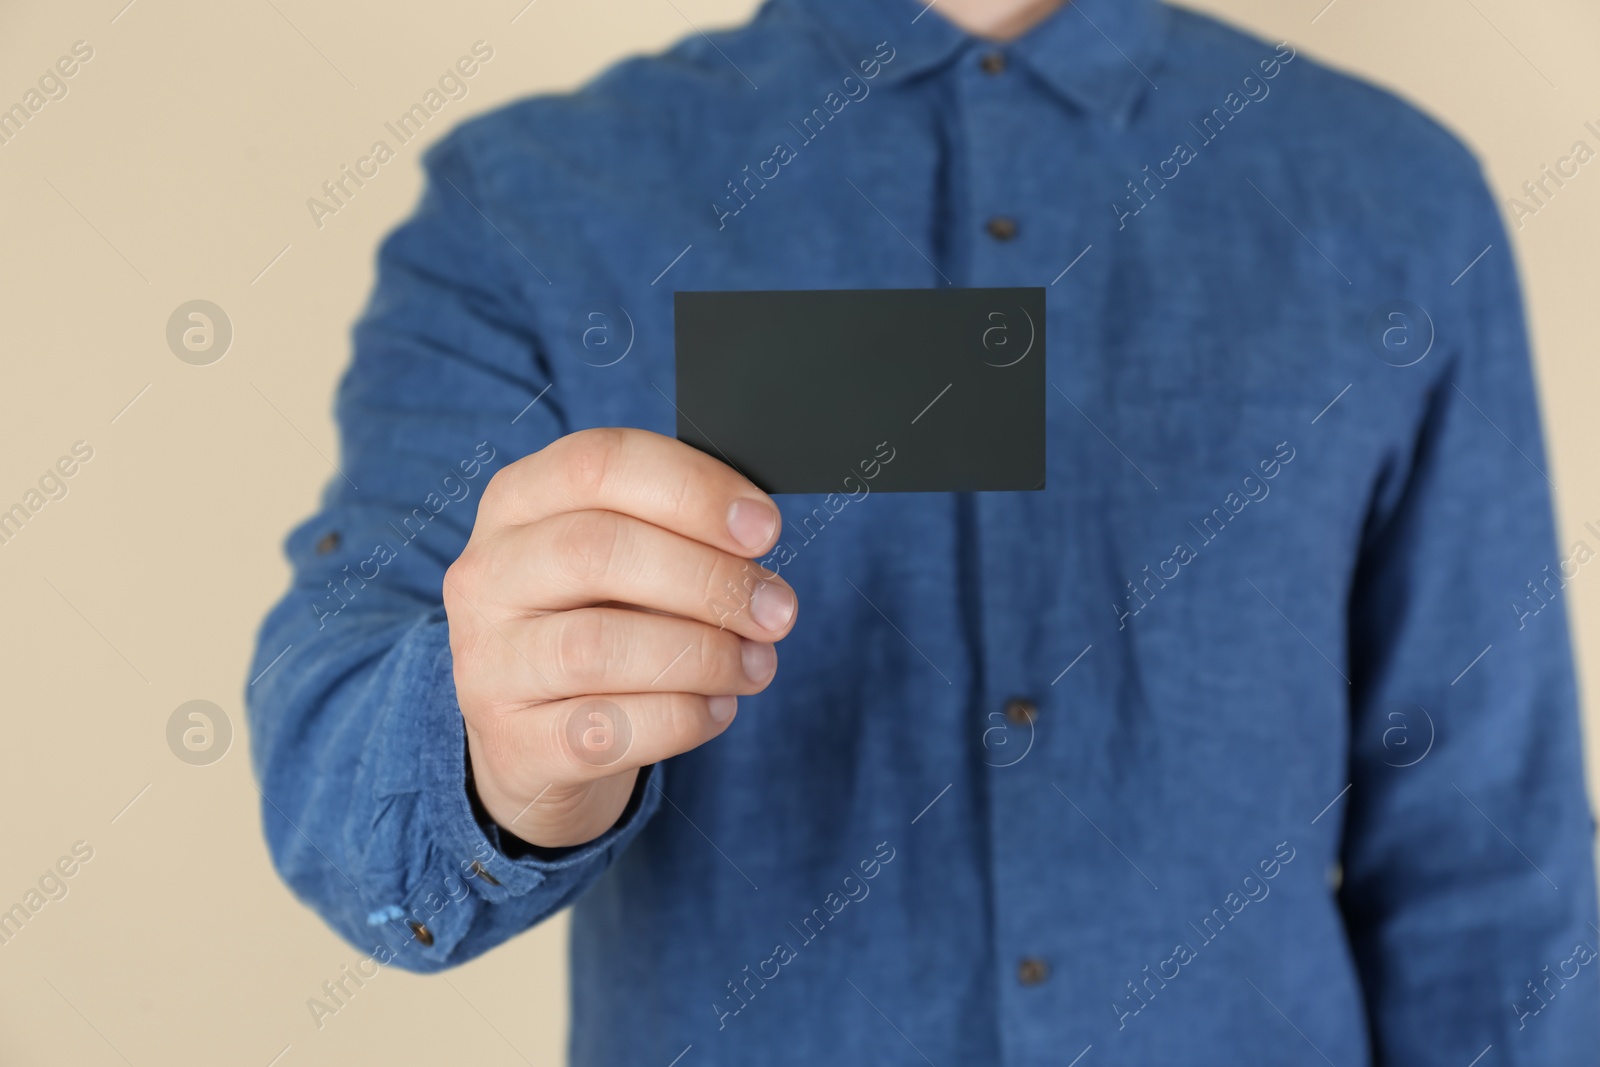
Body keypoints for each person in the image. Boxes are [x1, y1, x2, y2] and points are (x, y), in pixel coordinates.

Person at [246, 0, 1600, 1061]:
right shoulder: (527, 206)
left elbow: (1491, 865)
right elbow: (341, 768)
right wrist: (505, 749)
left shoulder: (1402, 207)